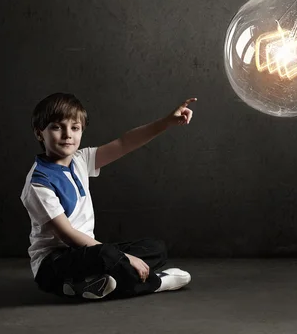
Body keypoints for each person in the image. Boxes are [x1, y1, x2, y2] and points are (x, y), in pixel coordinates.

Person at [20, 92, 196, 300]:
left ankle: (88, 284)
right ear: (40, 133)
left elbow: (124, 143)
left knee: (155, 248)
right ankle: (154, 282)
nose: (68, 134)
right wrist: (124, 258)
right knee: (107, 255)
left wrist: (167, 122)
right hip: (53, 265)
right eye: (57, 127)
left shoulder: (80, 160)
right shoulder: (39, 182)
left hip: (87, 253)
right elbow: (68, 235)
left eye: (75, 128)